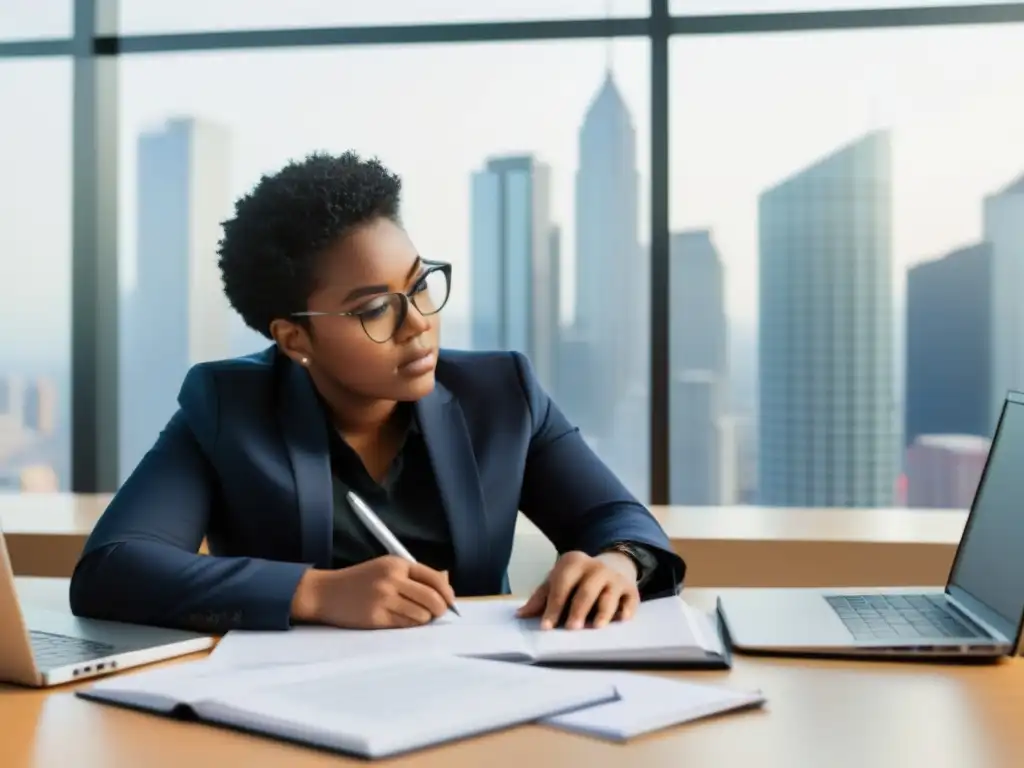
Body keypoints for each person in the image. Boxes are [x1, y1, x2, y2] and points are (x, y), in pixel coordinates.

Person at [69, 151, 685, 635]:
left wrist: (615, 562)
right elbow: (113, 567)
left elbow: (619, 519)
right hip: (292, 713)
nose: (418, 320)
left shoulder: (502, 394)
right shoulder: (227, 407)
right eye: (375, 309)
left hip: (477, 695)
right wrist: (314, 592)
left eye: (420, 287)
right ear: (293, 337)